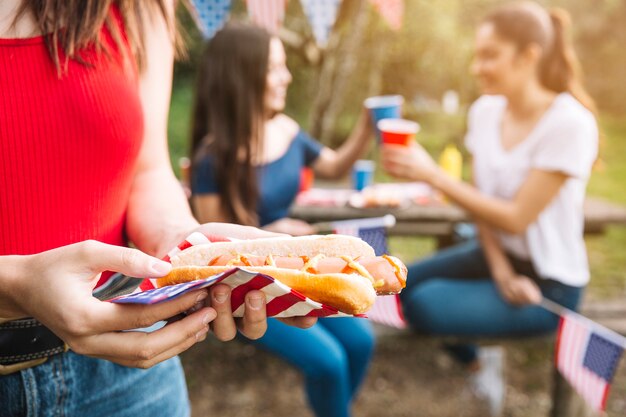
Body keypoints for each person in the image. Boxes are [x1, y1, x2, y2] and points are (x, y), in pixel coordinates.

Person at [0, 2, 315, 416]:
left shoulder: (138, 6)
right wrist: (14, 283)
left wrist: (184, 242)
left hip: (129, 370)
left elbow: (146, 170)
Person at [381, 1, 598, 415]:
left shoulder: (570, 123)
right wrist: (499, 272)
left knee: (425, 304)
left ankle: (481, 363)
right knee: (395, 286)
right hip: (494, 255)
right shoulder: (485, 111)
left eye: (490, 55)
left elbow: (516, 216)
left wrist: (435, 176)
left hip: (548, 285)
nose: (477, 67)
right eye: (477, 54)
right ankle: (481, 356)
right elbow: (484, 208)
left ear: (529, 56)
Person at [189, 22, 375, 417]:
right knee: (329, 362)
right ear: (244, 75)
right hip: (248, 286)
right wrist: (274, 233)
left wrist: (367, 125)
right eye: (275, 67)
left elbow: (335, 164)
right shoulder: (212, 156)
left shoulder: (288, 131)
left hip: (297, 270)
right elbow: (217, 252)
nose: (286, 77)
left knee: (361, 341)